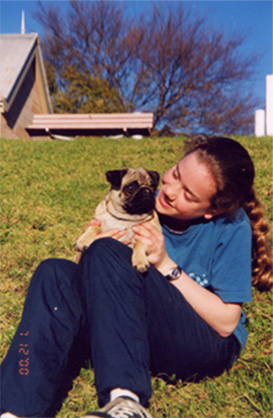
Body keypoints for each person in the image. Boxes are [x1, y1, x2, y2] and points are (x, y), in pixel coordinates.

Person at [1, 136, 272, 418]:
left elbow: (226, 324)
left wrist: (166, 265)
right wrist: (92, 252)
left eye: (189, 195)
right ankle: (14, 408)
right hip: (136, 331)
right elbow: (97, 283)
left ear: (211, 210)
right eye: (175, 174)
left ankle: (126, 402)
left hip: (203, 346)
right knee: (54, 272)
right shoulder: (140, 200)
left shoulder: (230, 224)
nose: (169, 191)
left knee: (109, 251)